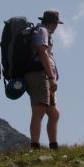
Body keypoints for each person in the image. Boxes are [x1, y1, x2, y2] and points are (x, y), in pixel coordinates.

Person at [24, 10, 63, 150]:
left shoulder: (41, 31)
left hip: (43, 75)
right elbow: (42, 52)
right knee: (39, 110)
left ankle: (53, 146)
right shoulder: (42, 31)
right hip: (39, 74)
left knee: (54, 113)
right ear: (54, 23)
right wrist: (51, 76)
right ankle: (34, 146)